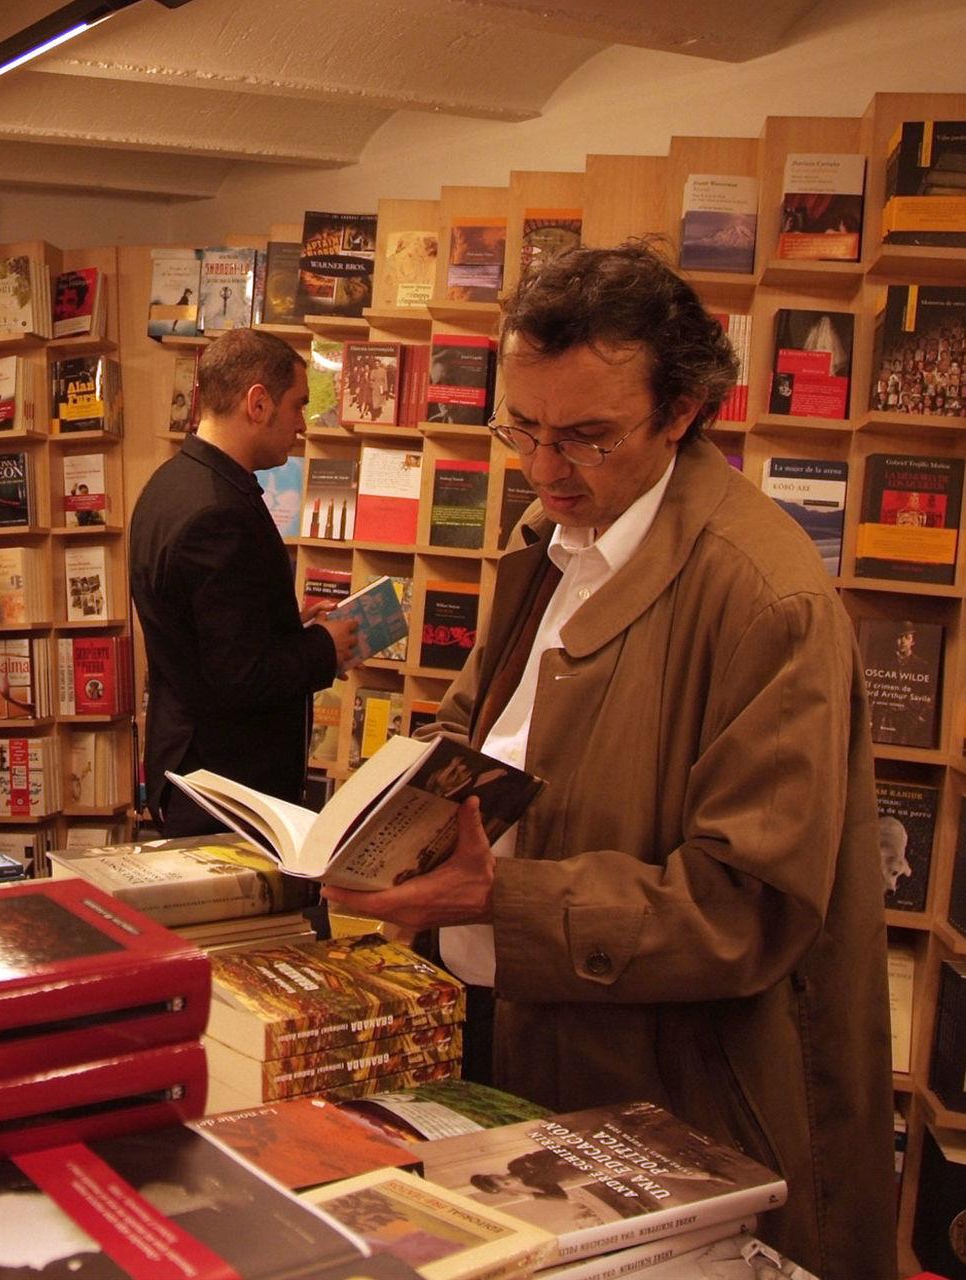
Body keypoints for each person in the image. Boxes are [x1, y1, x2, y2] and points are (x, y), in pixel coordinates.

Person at [322, 243, 891, 1279]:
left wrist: (497, 900)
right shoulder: (545, 537)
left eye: (585, 437)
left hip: (689, 1103)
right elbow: (471, 732)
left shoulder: (767, 598)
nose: (543, 469)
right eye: (522, 430)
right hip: (528, 1044)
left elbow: (743, 905)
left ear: (678, 414)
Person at [130, 328, 357, 835]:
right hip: (224, 788)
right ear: (258, 403)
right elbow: (237, 676)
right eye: (297, 405)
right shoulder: (216, 512)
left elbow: (206, 635)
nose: (301, 424)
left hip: (197, 771)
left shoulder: (171, 483)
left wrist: (282, 625)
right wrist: (324, 647)